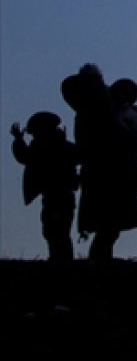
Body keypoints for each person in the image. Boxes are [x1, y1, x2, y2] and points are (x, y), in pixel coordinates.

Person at [63, 64, 137, 261]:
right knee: (109, 222)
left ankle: (101, 257)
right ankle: (100, 259)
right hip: (110, 170)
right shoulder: (98, 107)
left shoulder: (97, 107)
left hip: (106, 170)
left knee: (109, 223)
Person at [10, 112, 81, 261]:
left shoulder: (45, 148)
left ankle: (60, 261)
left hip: (57, 196)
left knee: (55, 230)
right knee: (57, 230)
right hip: (61, 196)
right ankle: (61, 260)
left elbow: (24, 156)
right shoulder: (64, 146)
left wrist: (18, 140)